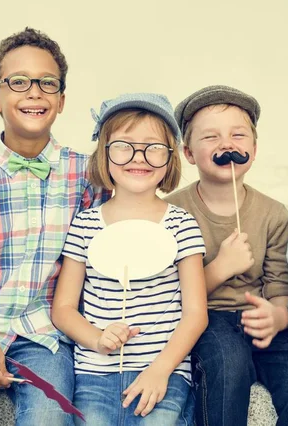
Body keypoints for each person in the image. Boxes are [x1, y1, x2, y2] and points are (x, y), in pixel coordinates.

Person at [0, 28, 109, 426]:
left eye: (47, 83)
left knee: (49, 415)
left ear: (61, 100)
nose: (34, 93)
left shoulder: (86, 175)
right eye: (19, 82)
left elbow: (97, 257)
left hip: (46, 334)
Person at [165, 85, 288, 426]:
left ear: (254, 147)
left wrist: (278, 317)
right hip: (207, 318)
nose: (227, 145)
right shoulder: (171, 212)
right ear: (188, 152)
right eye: (211, 137)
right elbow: (167, 295)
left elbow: (280, 284)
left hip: (260, 315)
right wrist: (220, 268)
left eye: (238, 134)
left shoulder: (274, 213)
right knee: (227, 366)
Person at [52, 93, 207, 425]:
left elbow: (196, 313)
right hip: (95, 374)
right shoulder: (85, 224)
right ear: (104, 154)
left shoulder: (181, 224)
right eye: (123, 145)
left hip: (163, 373)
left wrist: (160, 370)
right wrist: (96, 337)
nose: (139, 157)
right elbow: (63, 308)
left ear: (170, 158)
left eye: (153, 147)